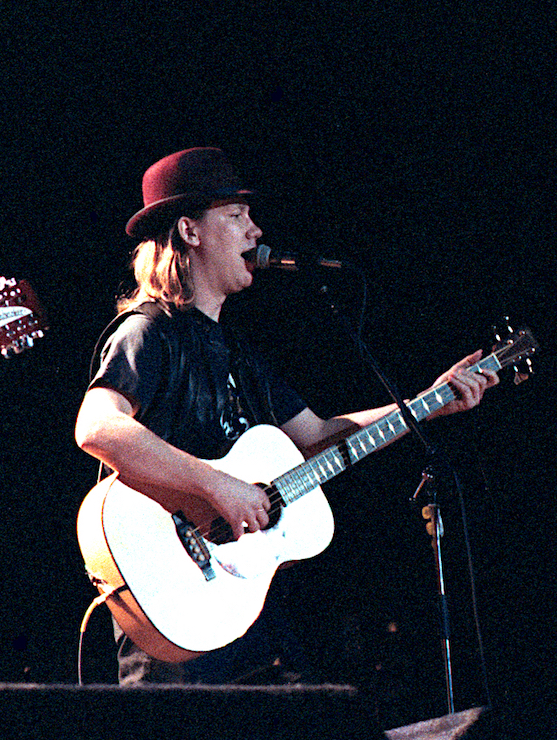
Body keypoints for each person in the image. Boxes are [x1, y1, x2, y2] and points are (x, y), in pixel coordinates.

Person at [74, 147, 496, 685]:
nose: (255, 232)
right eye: (236, 216)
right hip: (173, 612)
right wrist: (217, 486)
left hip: (242, 611)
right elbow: (97, 426)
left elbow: (320, 436)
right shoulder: (148, 332)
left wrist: (428, 404)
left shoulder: (239, 352)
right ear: (190, 230)